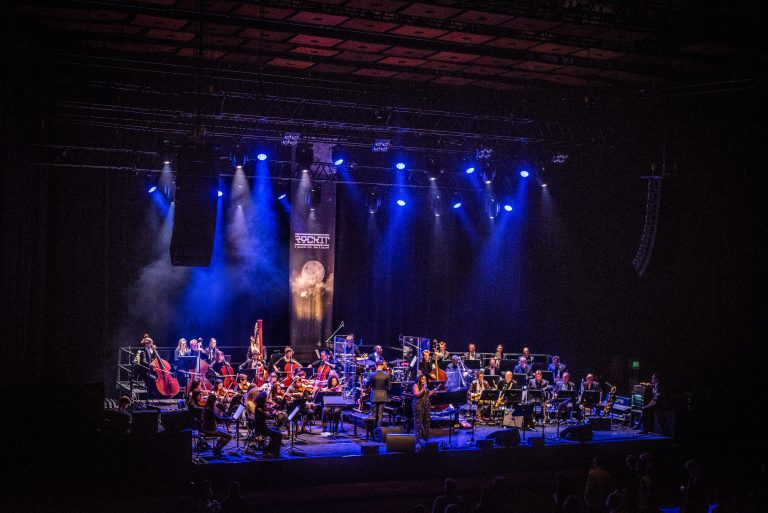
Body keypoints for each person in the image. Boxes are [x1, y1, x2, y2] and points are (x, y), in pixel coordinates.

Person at [249, 390, 282, 458]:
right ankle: (269, 450)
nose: (267, 399)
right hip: (261, 428)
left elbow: (265, 415)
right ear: (263, 399)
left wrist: (271, 413)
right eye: (266, 398)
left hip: (261, 427)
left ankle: (271, 449)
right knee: (279, 434)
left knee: (277, 430)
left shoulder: (259, 406)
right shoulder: (260, 408)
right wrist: (274, 414)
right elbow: (267, 416)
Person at [202, 393, 232, 457]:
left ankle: (216, 448)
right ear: (212, 401)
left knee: (223, 432)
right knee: (229, 436)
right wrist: (229, 418)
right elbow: (219, 419)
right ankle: (218, 449)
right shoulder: (209, 410)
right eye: (215, 401)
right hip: (210, 430)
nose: (215, 403)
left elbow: (216, 417)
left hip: (210, 428)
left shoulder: (207, 407)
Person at [412, 373, 437, 444]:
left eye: (425, 379)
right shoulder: (416, 385)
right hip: (418, 404)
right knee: (418, 422)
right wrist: (423, 389)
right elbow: (416, 394)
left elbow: (427, 394)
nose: (424, 380)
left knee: (426, 421)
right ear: (419, 379)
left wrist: (434, 390)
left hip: (426, 404)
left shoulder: (424, 386)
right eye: (422, 379)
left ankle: (425, 437)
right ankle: (418, 439)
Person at [365, 360, 391, 427]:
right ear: (382, 365)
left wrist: (364, 381)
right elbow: (389, 387)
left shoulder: (372, 375)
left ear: (376, 366)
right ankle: (379, 431)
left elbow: (366, 385)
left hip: (375, 395)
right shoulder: (387, 375)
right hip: (383, 396)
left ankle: (373, 431)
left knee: (373, 414)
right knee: (380, 414)